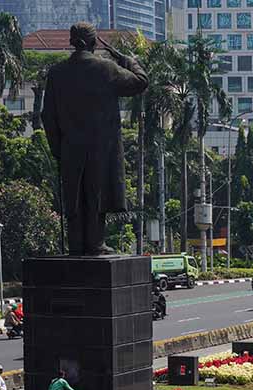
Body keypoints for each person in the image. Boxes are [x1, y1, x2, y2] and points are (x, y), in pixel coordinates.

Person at [41, 24, 148, 256]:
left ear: (72, 41)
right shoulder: (106, 68)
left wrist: (57, 147)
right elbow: (140, 82)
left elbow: (47, 115)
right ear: (94, 42)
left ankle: (77, 246)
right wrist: (127, 59)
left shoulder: (57, 72)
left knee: (75, 197)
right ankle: (96, 244)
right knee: (95, 194)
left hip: (70, 146)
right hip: (101, 147)